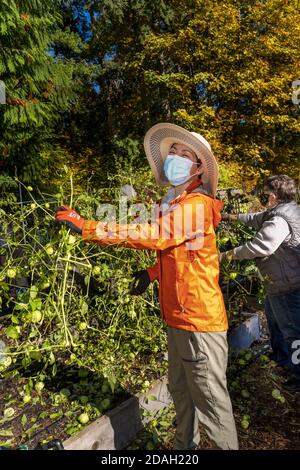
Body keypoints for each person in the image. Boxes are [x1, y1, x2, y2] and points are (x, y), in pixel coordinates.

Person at [55, 123, 238, 450]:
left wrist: (87, 227)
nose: (176, 157)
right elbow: (185, 255)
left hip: (199, 323)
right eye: (174, 151)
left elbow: (155, 234)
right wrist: (153, 273)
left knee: (212, 405)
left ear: (198, 168)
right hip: (177, 319)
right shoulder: (177, 202)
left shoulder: (197, 204)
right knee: (182, 395)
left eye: (186, 154)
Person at [221, 175, 300, 393]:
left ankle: (298, 375)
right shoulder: (286, 210)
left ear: (273, 196)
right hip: (281, 283)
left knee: (294, 332)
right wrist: (229, 217)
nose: (263, 197)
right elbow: (257, 218)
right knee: (275, 322)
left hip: (287, 286)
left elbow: (261, 246)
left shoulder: (279, 220)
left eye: (265, 193)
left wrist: (227, 255)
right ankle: (280, 357)